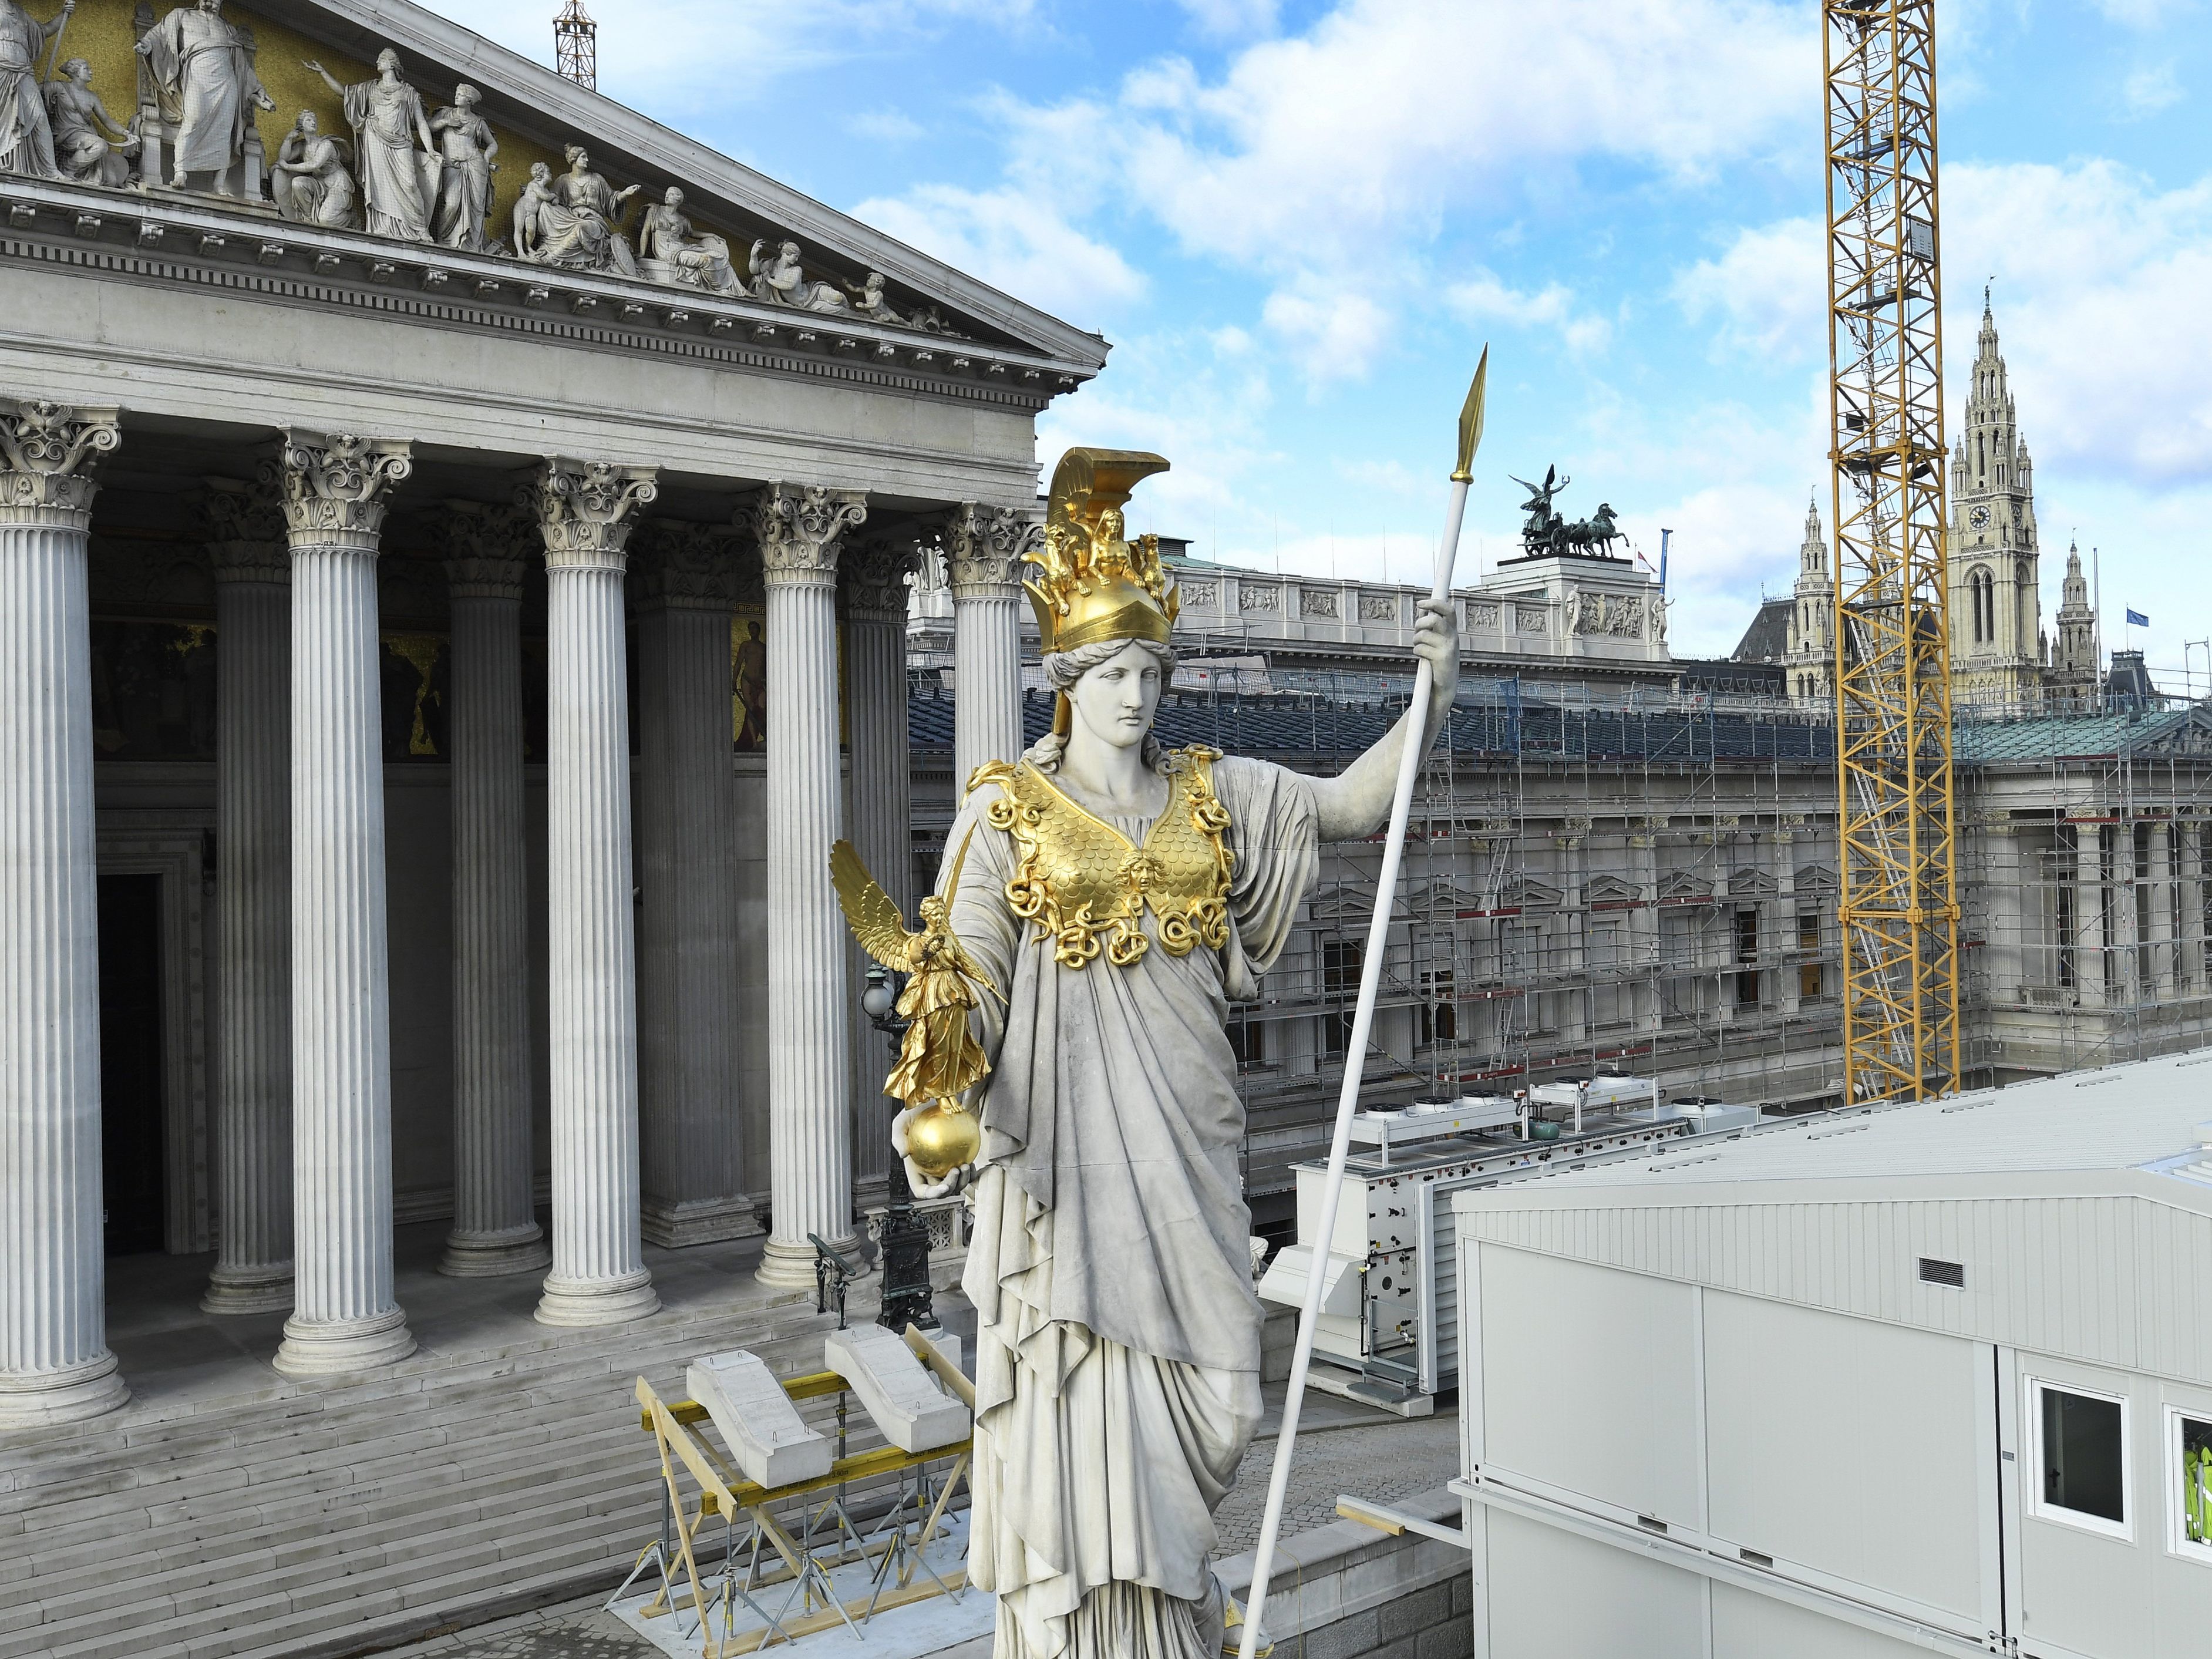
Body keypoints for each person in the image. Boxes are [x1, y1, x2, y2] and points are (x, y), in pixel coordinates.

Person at [904, 449, 1458, 1658]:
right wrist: (943, 1088)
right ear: (1066, 676)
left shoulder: (1217, 793)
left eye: (1150, 669)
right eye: (1111, 670)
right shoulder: (1003, 813)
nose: (1134, 694)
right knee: (1081, 1406)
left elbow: (1356, 804)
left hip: (1191, 1153)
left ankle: (1172, 1620)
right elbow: (969, 981)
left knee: (1224, 1395)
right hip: (1070, 1169)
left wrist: (1431, 689)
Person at [137, 0, 272, 193]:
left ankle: (219, 183)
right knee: (193, 120)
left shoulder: (227, 29)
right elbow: (159, 35)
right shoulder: (181, 16)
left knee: (226, 131)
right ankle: (180, 173)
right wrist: (147, 44)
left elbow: (242, 66)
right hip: (197, 76)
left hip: (227, 82)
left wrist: (258, 90)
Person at [303, 49, 435, 242]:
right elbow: (344, 93)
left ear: (392, 64)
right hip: (375, 141)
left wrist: (430, 150)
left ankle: (420, 229)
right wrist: (323, 72)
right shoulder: (370, 89)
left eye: (381, 59)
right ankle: (382, 227)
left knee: (410, 184)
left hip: (401, 144)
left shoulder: (408, 92)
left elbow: (421, 122)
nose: (377, 61)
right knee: (379, 185)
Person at [0, 0, 68, 180]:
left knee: (39, 117)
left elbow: (44, 31)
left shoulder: (20, 12)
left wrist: (64, 13)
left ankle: (50, 169)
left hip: (23, 71)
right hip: (2, 70)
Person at [42, 55, 133, 188]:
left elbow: (107, 120)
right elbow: (35, 91)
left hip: (86, 135)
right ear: (76, 72)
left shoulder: (92, 97)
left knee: (111, 181)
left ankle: (76, 170)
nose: (91, 72)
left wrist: (126, 133)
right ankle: (68, 169)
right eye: (87, 69)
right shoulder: (59, 87)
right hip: (66, 134)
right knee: (100, 145)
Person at [551, 144, 638, 277]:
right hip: (570, 216)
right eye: (583, 157)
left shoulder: (597, 178)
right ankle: (552, 253)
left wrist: (625, 193)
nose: (587, 160)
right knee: (560, 217)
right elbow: (553, 199)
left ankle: (555, 256)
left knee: (581, 226)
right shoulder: (563, 180)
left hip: (594, 220)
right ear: (574, 159)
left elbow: (611, 198)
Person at [428, 83, 496, 252]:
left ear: (469, 101)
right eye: (457, 93)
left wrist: (486, 157)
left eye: (460, 95)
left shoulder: (478, 122)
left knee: (476, 208)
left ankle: (472, 247)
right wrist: (445, 122)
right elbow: (427, 127)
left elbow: (493, 144)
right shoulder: (446, 113)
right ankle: (447, 242)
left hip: (475, 166)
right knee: (451, 204)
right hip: (453, 166)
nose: (456, 96)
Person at [637, 185, 739, 294]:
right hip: (669, 253)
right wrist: (642, 253)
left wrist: (711, 235)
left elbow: (692, 233)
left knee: (720, 257)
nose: (667, 196)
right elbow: (646, 231)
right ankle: (717, 289)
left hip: (683, 248)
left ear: (678, 199)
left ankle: (730, 287)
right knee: (706, 260)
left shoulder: (683, 220)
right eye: (667, 193)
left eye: (671, 194)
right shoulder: (655, 211)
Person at [270, 109, 355, 228]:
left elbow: (314, 164)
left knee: (326, 221)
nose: (313, 123)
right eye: (309, 120)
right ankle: (309, 219)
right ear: (301, 125)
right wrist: (289, 139)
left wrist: (288, 167)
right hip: (319, 184)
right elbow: (284, 157)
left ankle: (352, 219)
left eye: (314, 121)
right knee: (298, 183)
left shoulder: (326, 144)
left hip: (337, 184)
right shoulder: (302, 145)